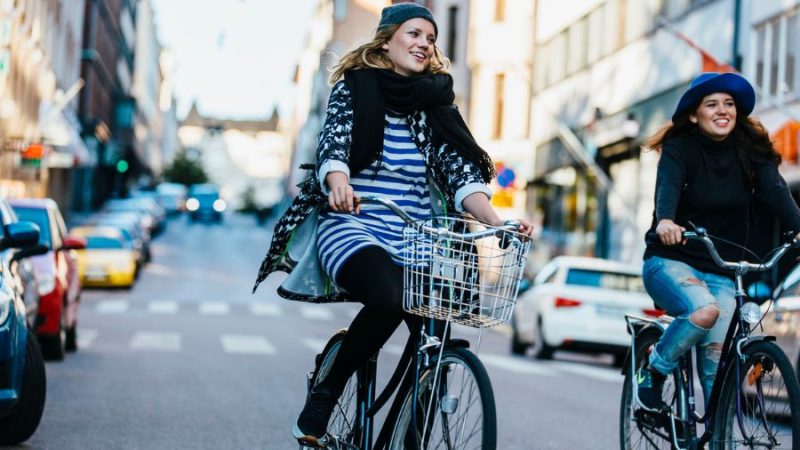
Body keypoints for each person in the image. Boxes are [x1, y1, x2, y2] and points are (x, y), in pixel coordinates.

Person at [250, 3, 532, 446]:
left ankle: (412, 433)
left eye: (431, 39)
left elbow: (459, 173)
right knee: (388, 297)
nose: (424, 44)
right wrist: (338, 182)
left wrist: (498, 222)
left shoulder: (434, 101)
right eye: (415, 34)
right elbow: (335, 142)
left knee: (436, 328)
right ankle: (328, 390)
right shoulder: (356, 87)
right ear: (387, 39)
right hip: (354, 223)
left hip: (416, 233)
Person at [637, 72, 800, 410]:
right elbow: (668, 185)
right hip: (670, 261)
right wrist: (666, 219)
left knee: (717, 368)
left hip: (722, 269)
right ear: (695, 115)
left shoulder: (751, 151)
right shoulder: (681, 149)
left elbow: (774, 190)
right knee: (703, 309)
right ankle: (654, 369)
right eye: (712, 104)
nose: (722, 110)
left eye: (729, 104)